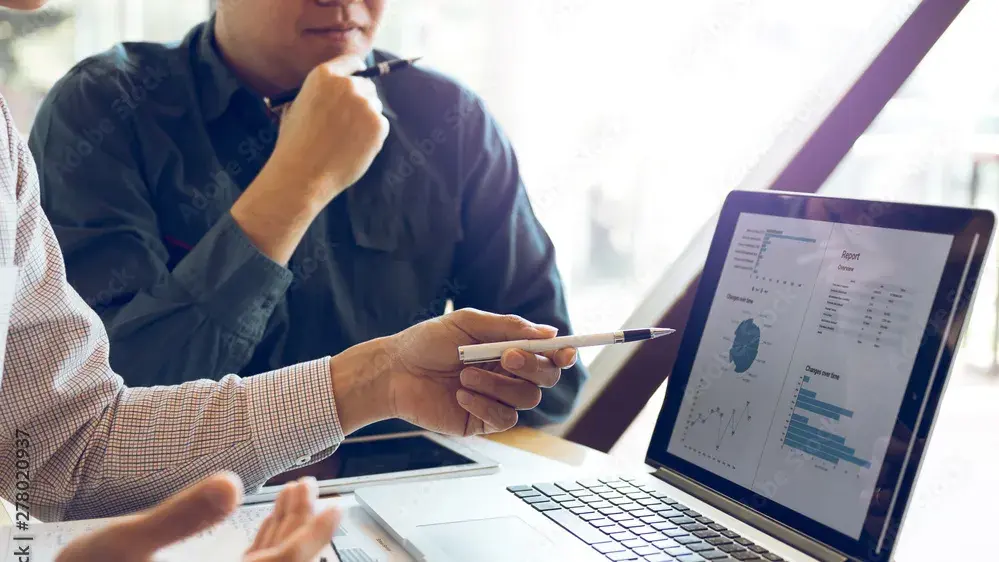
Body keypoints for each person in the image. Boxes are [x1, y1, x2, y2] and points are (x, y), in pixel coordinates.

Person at [0, 6, 578, 559]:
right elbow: (100, 420)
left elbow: (552, 380)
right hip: (176, 526)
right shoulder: (108, 107)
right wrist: (298, 181)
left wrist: (394, 381)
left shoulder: (450, 119)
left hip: (401, 508)